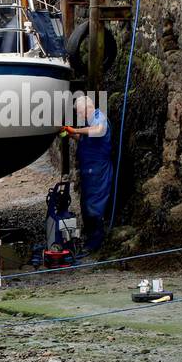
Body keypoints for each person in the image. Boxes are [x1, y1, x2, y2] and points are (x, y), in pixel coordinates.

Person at [65, 95, 114, 252]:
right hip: (88, 170)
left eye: (80, 112)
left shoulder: (99, 117)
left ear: (87, 108)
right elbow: (84, 138)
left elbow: (98, 131)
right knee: (86, 204)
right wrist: (69, 132)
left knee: (95, 205)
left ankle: (95, 242)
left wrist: (76, 129)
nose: (79, 115)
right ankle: (89, 237)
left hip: (98, 170)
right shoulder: (89, 122)